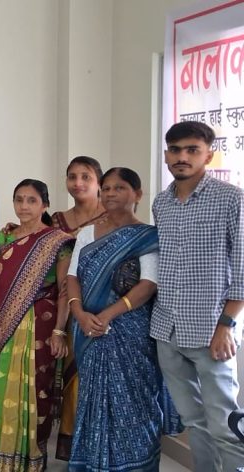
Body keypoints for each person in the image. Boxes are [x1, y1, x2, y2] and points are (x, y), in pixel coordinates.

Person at [66, 167, 181, 471]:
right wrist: (79, 314)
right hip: (88, 330)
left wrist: (107, 315)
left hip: (131, 332)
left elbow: (148, 284)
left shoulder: (147, 236)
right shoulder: (87, 234)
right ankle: (94, 464)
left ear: (137, 194)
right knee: (93, 400)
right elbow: (72, 277)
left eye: (120, 188)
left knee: (135, 401)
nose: (111, 193)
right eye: (106, 188)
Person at [152, 121, 244, 471]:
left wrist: (227, 325)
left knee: (226, 425)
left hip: (212, 331)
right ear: (166, 155)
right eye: (175, 150)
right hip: (167, 330)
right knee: (193, 421)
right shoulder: (162, 203)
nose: (182, 157)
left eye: (192, 150)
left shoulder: (231, 198)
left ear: (208, 154)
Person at [0, 179, 73, 471]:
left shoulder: (57, 241)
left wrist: (59, 330)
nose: (24, 206)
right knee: (0, 384)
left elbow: (65, 289)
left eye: (32, 200)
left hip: (42, 325)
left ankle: (31, 459)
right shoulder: (3, 237)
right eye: (19, 199)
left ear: (45, 205)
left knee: (36, 388)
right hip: (4, 322)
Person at [52, 155, 106, 460]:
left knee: (97, 376)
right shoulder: (57, 220)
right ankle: (71, 441)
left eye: (86, 177)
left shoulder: (112, 219)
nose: (78, 183)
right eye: (72, 176)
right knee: (71, 375)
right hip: (66, 307)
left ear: (99, 182)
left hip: (102, 308)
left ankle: (97, 442)